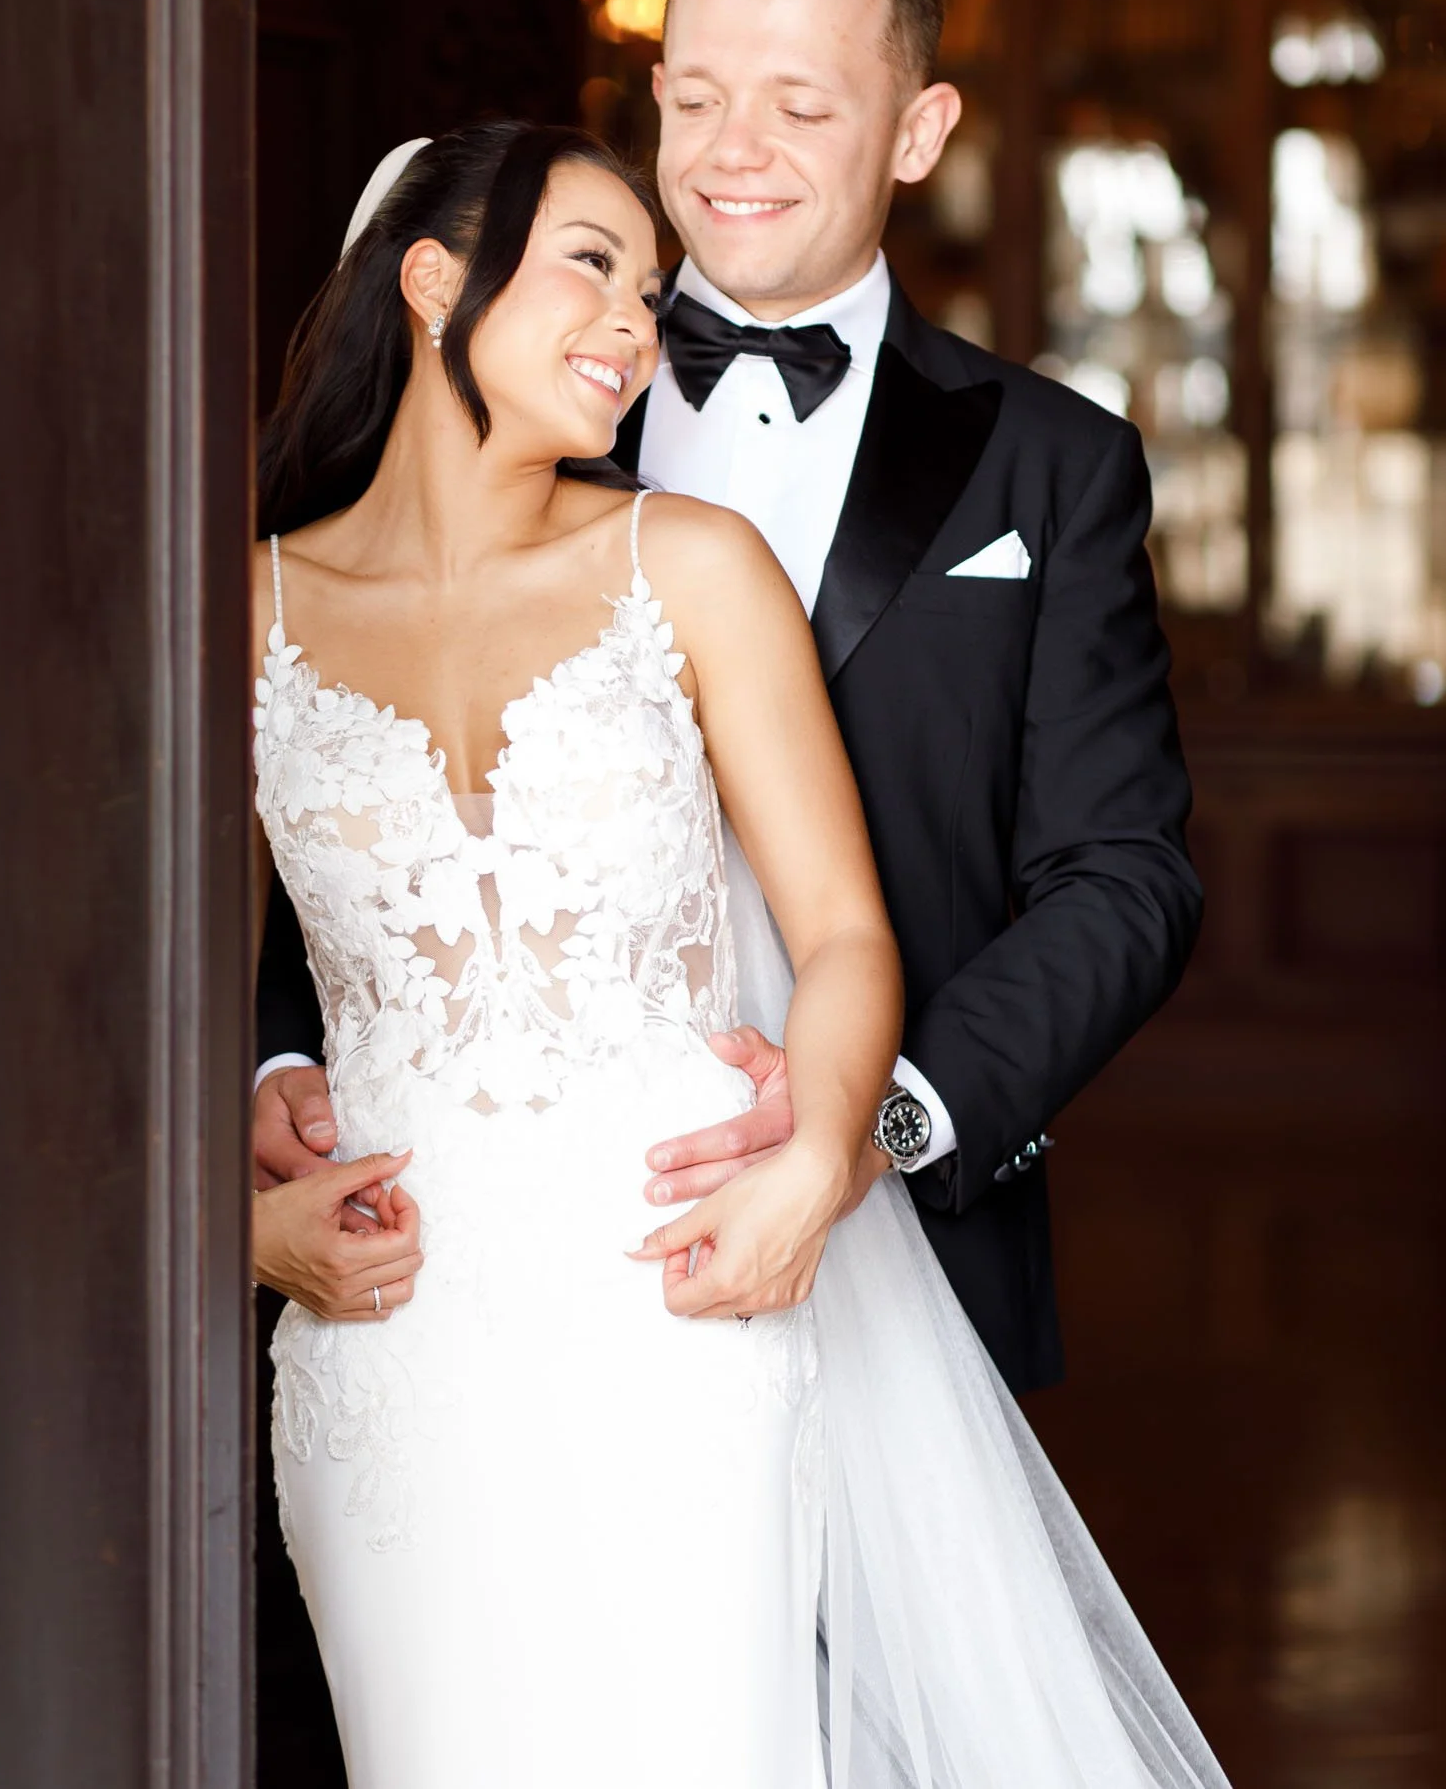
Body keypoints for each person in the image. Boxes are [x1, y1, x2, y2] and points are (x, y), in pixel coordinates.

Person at [249, 108, 1229, 1786]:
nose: (637, 325)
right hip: (383, 1351)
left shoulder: (689, 563)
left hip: (679, 1308)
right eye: (592, 269)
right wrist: (244, 1213)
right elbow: (102, 1006)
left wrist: (824, 1155)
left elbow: (847, 930)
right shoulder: (237, 607)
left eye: (650, 286)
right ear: (428, 281)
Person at [256, 0, 1202, 1398]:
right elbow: (316, 769)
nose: (730, 154)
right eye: (694, 97)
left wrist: (870, 1131)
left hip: (906, 1236)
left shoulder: (1053, 463)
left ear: (918, 131)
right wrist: (272, 1063)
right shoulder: (507, 405)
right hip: (493, 1242)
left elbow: (1125, 875)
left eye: (799, 107)